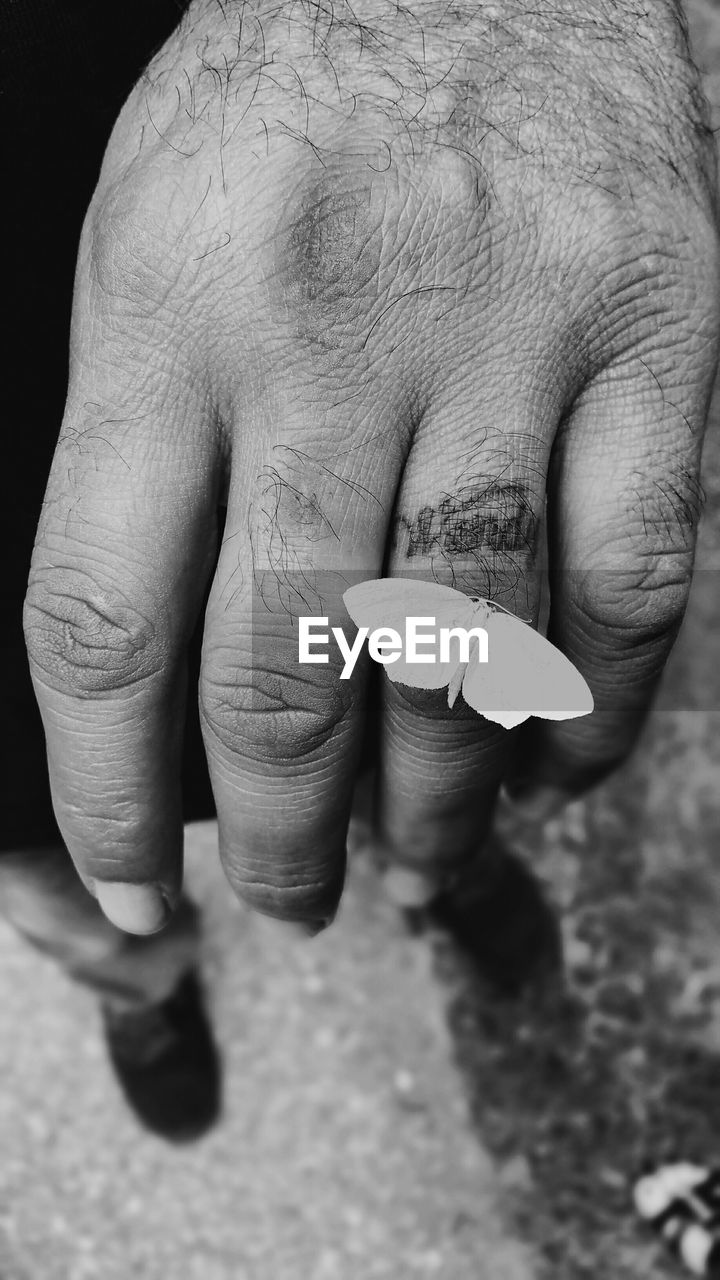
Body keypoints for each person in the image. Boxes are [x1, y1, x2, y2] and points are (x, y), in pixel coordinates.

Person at [3, 0, 718, 1141]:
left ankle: (433, 846)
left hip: (196, 138)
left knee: (425, 659)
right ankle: (134, 969)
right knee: (62, 833)